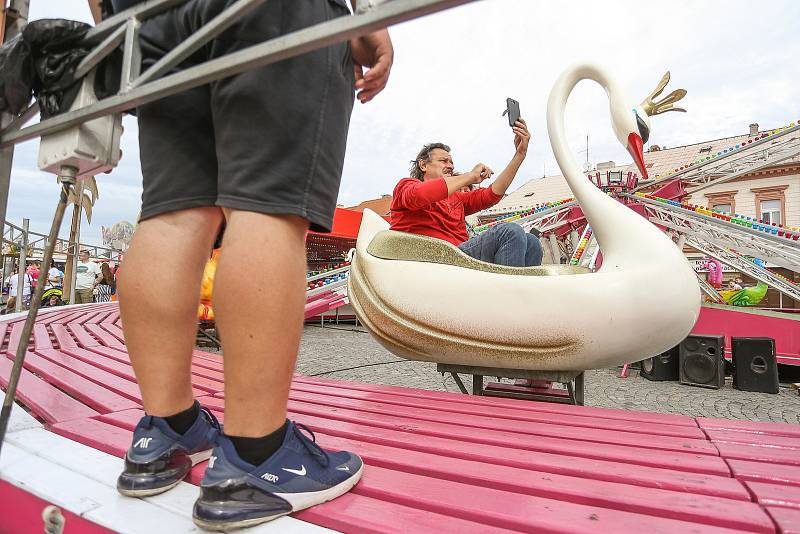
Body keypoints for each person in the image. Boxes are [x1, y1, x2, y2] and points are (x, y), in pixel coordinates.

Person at [94, 0, 393, 529]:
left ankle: (164, 432)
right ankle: (257, 457)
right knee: (267, 203)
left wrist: (121, 26)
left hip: (150, 21)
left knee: (171, 213)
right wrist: (366, 16)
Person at [390, 120, 542, 267]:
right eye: (444, 161)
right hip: (432, 259)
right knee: (510, 231)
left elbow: (492, 194)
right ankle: (507, 291)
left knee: (532, 242)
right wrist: (470, 176)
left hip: (460, 257)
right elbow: (420, 195)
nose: (450, 166)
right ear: (423, 165)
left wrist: (520, 155)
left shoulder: (456, 199)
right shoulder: (406, 185)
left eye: (451, 162)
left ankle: (518, 290)